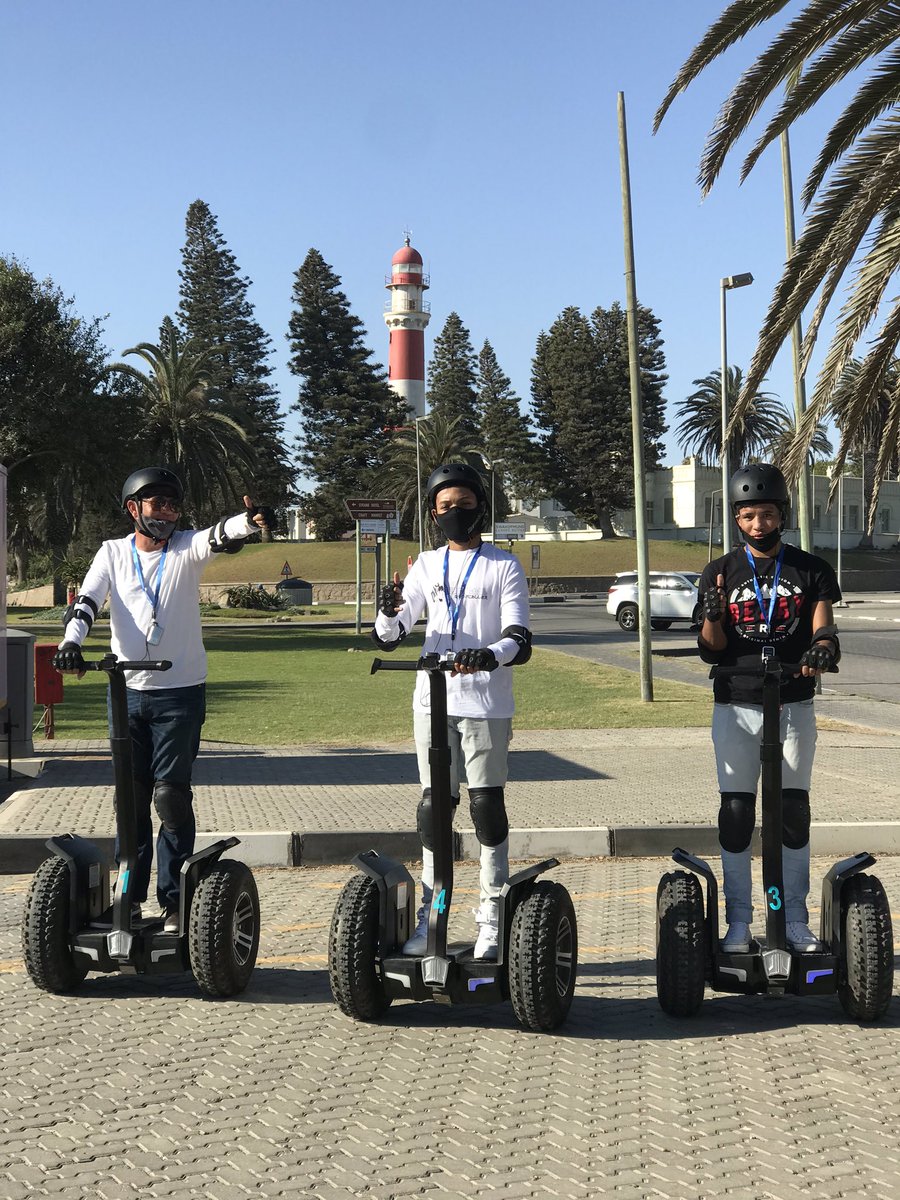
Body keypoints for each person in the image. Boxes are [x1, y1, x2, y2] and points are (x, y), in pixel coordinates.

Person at [53, 466, 269, 931]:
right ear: (133, 508)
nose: (168, 512)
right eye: (159, 504)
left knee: (170, 797)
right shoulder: (112, 552)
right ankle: (128, 899)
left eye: (174, 505)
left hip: (180, 693)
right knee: (130, 801)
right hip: (127, 693)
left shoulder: (186, 548)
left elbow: (218, 535)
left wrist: (249, 523)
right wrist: (71, 642)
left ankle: (173, 901)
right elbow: (86, 602)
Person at [372, 462, 532, 960]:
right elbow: (391, 635)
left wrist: (490, 654)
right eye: (445, 507)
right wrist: (387, 610)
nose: (454, 513)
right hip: (432, 701)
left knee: (486, 809)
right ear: (432, 514)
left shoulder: (503, 565)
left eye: (463, 504)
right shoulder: (425, 564)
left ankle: (491, 916)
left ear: (480, 507)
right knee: (434, 809)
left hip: (485, 701)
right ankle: (433, 914)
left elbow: (519, 638)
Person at [698, 463, 841, 954]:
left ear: (783, 515)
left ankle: (794, 919)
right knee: (737, 812)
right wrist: (714, 616)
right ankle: (739, 922)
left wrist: (821, 649)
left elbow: (825, 632)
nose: (758, 524)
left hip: (793, 702)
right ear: (736, 519)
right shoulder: (720, 571)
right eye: (748, 516)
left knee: (792, 812)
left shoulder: (811, 569)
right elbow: (711, 650)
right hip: (736, 702)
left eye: (767, 514)